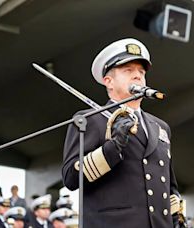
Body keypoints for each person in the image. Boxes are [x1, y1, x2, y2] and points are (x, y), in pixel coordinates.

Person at [62, 38, 181, 227]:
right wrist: (113, 146)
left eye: (141, 72)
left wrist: (177, 218)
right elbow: (70, 177)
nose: (138, 76)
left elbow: (168, 184)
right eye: (128, 71)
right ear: (108, 81)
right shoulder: (91, 119)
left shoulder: (161, 127)